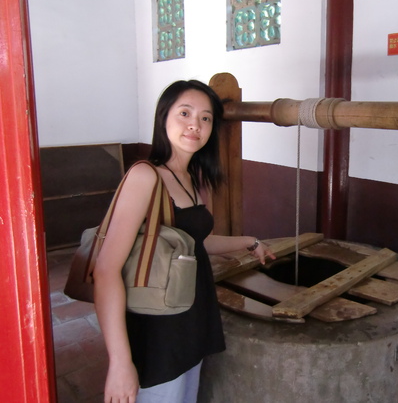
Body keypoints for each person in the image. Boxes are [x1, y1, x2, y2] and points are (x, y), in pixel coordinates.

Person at [93, 80, 274, 403]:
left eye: (206, 118)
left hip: (189, 322)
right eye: (185, 113)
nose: (196, 124)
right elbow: (106, 271)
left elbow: (190, 246)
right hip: (158, 331)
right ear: (164, 118)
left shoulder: (190, 178)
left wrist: (249, 242)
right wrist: (120, 363)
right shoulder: (146, 176)